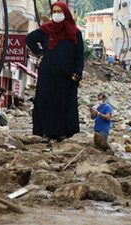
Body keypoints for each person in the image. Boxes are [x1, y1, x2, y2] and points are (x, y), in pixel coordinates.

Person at [26, 1, 84, 143]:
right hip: (48, 74)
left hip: (67, 76)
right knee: (46, 102)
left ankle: (62, 132)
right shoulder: (46, 29)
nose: (57, 14)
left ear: (66, 13)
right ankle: (45, 132)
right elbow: (29, 39)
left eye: (60, 11)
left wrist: (78, 73)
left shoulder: (75, 32)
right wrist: (39, 53)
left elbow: (79, 55)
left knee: (63, 103)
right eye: (54, 12)